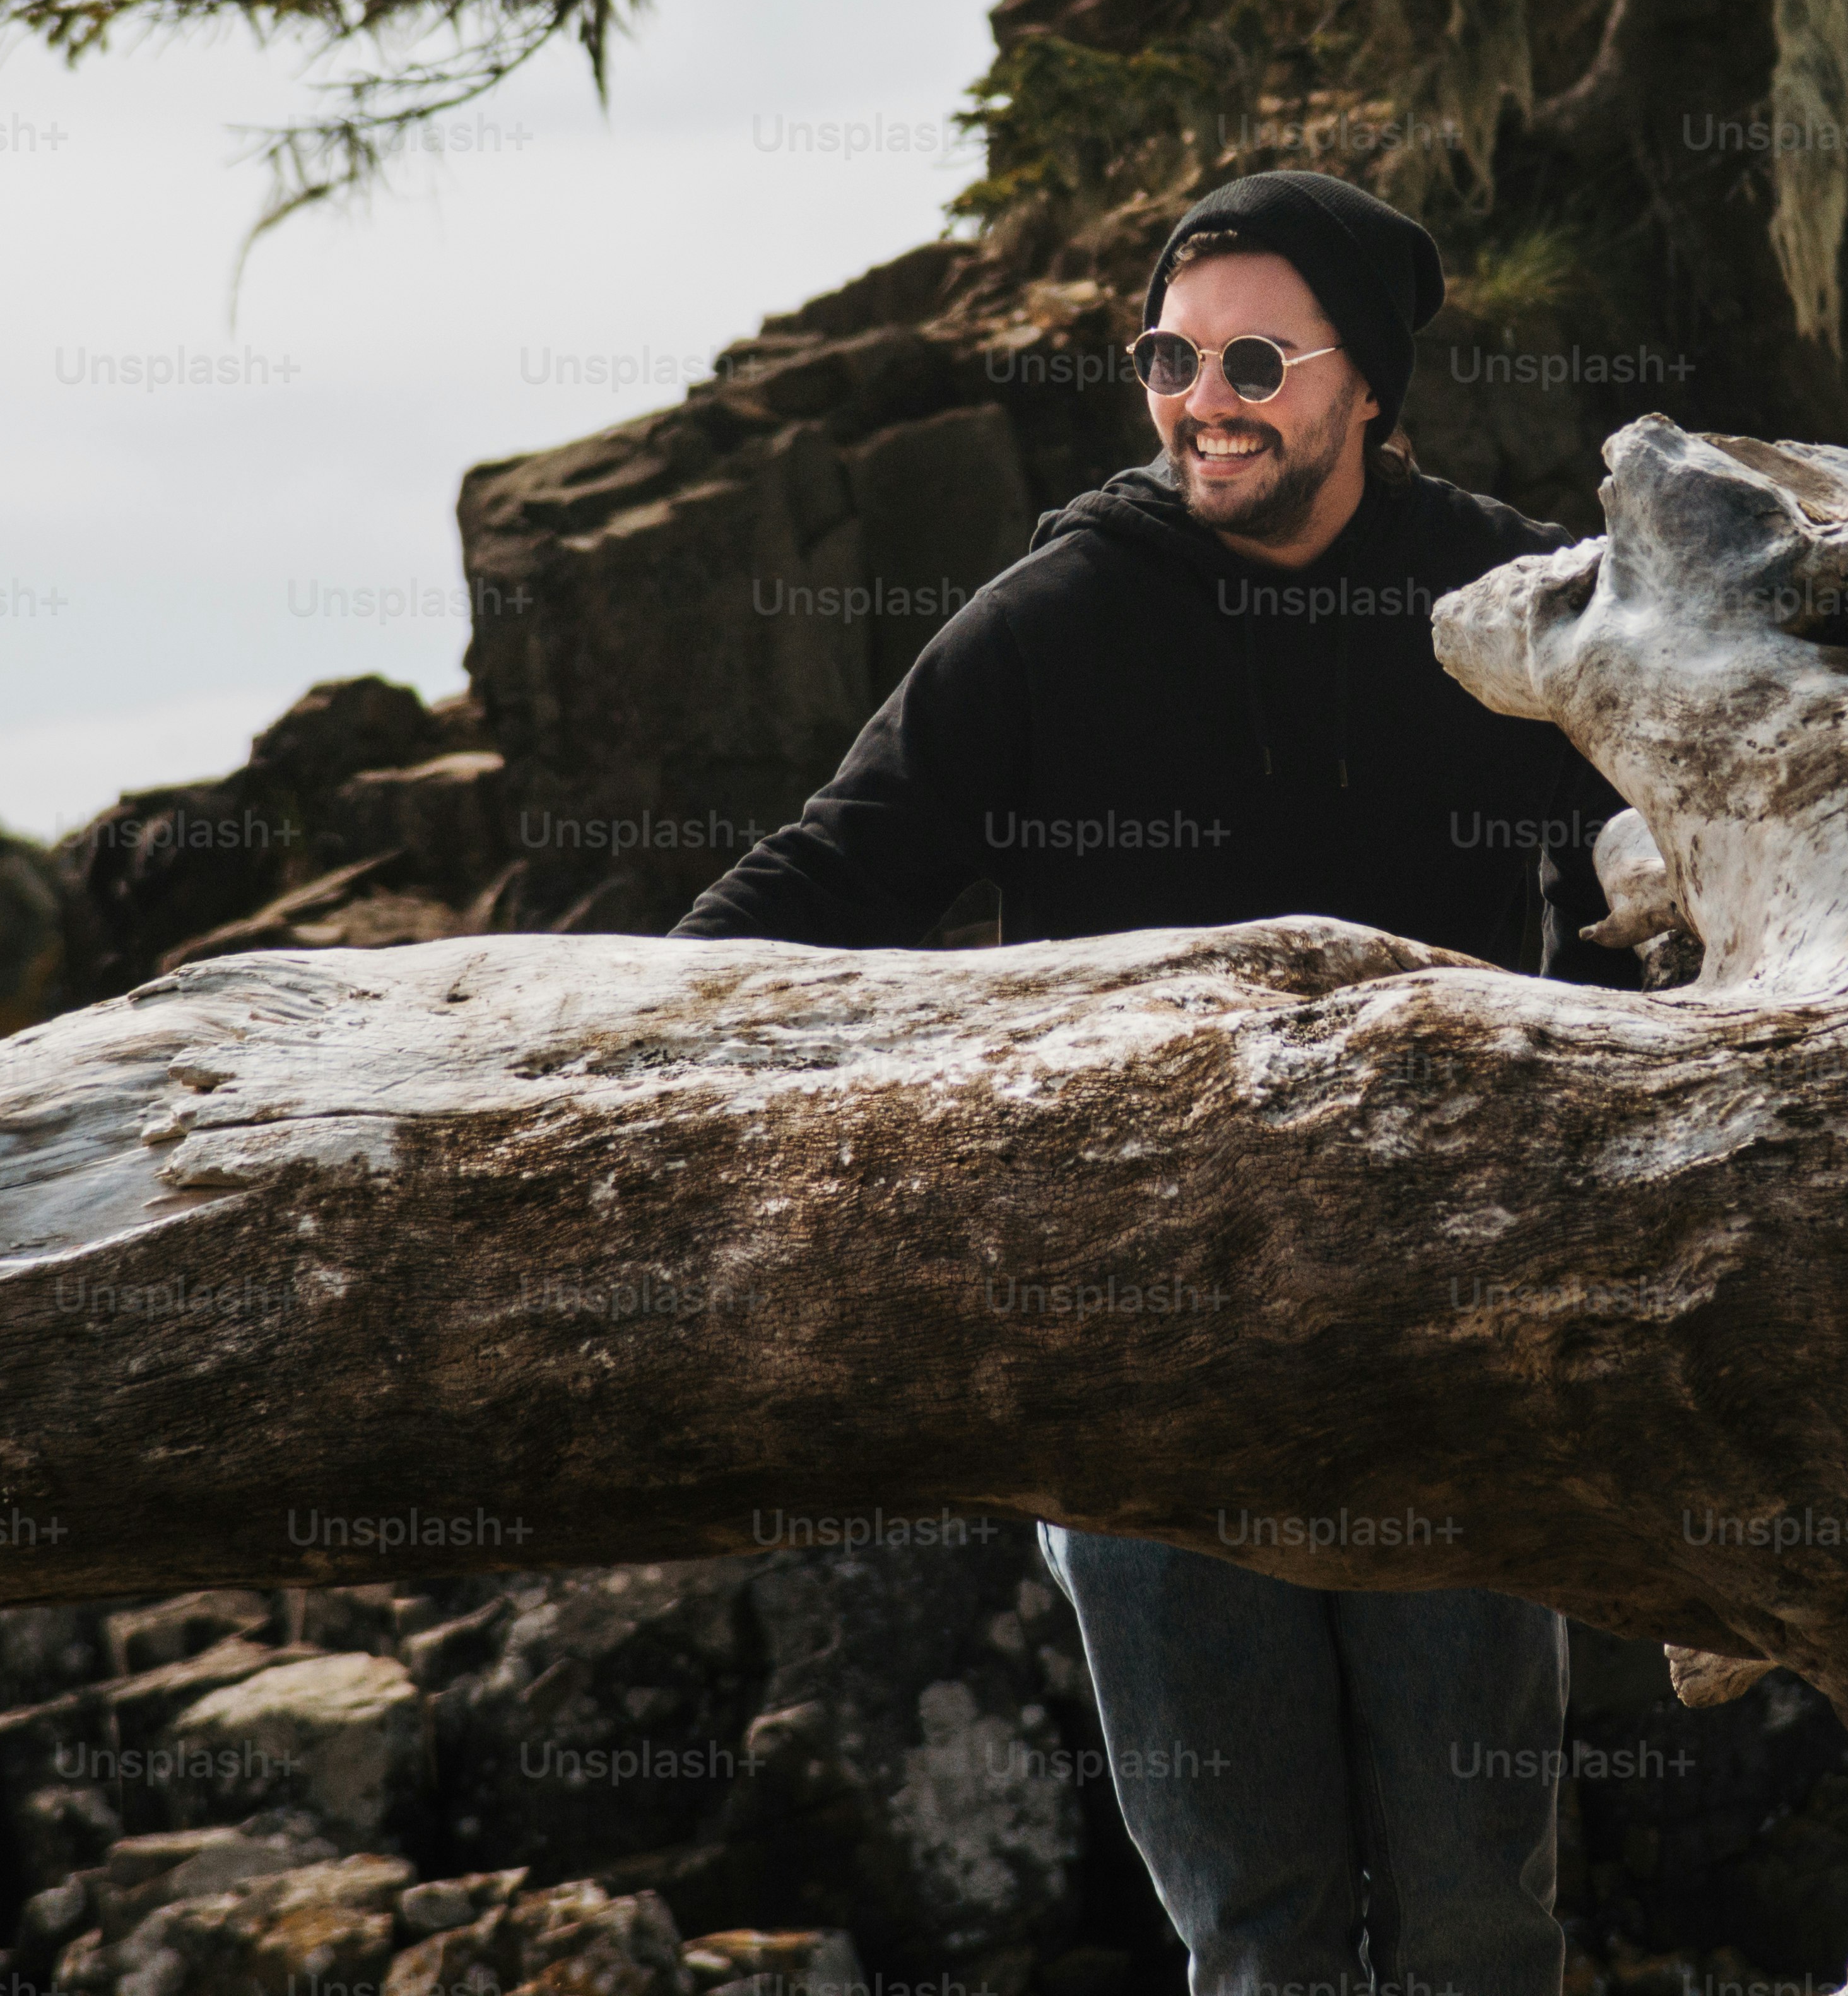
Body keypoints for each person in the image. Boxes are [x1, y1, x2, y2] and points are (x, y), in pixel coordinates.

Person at [675, 167, 1622, 1996]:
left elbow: (1667, 861)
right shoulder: (1058, 620)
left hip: (1438, 1334)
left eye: (1256, 361)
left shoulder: (1511, 608)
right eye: (1170, 360)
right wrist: (576, 1040)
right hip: (1127, 1360)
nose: (1206, 403)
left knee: (1477, 1923)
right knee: (1257, 1939)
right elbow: (828, 879)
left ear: (1366, 385)